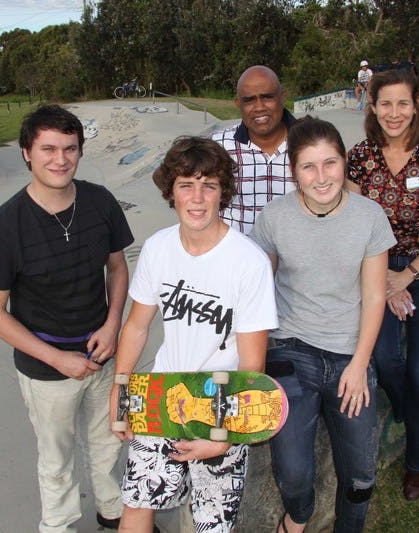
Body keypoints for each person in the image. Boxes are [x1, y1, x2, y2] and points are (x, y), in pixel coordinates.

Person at [0, 104, 134, 532]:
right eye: (48, 149)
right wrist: (56, 358)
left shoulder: (100, 201)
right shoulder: (5, 226)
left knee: (108, 443)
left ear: (80, 151)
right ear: (27, 152)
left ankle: (113, 512)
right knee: (57, 458)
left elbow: (117, 267)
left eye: (69, 148)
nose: (59, 159)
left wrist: (113, 323)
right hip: (46, 367)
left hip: (101, 352)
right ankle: (58, 525)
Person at [110, 136, 278, 533]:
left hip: (221, 402)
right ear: (172, 192)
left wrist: (225, 437)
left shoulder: (248, 262)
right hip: (161, 393)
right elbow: (136, 325)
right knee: (136, 504)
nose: (198, 198)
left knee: (211, 525)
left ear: (224, 193)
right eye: (187, 185)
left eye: (210, 185)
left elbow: (252, 365)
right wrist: (120, 392)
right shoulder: (158, 248)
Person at [251, 117, 395, 533]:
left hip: (350, 352)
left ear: (344, 162)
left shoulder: (369, 216)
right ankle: (297, 518)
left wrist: (359, 365)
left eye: (330, 163)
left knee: (361, 475)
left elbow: (373, 296)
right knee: (293, 474)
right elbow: (258, 291)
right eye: (308, 167)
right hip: (290, 351)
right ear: (293, 171)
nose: (321, 177)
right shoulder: (274, 217)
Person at [347, 69, 419, 502]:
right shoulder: (360, 156)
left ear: (416, 105)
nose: (394, 113)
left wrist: (408, 276)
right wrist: (388, 285)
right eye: (385, 103)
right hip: (376, 269)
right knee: (383, 356)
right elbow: (354, 228)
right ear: (372, 106)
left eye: (402, 103)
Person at [212, 65, 297, 234]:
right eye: (249, 100)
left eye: (267, 97)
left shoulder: (309, 142)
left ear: (282, 97)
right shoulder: (219, 146)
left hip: (294, 257)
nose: (259, 107)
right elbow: (169, 177)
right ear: (238, 104)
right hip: (237, 256)